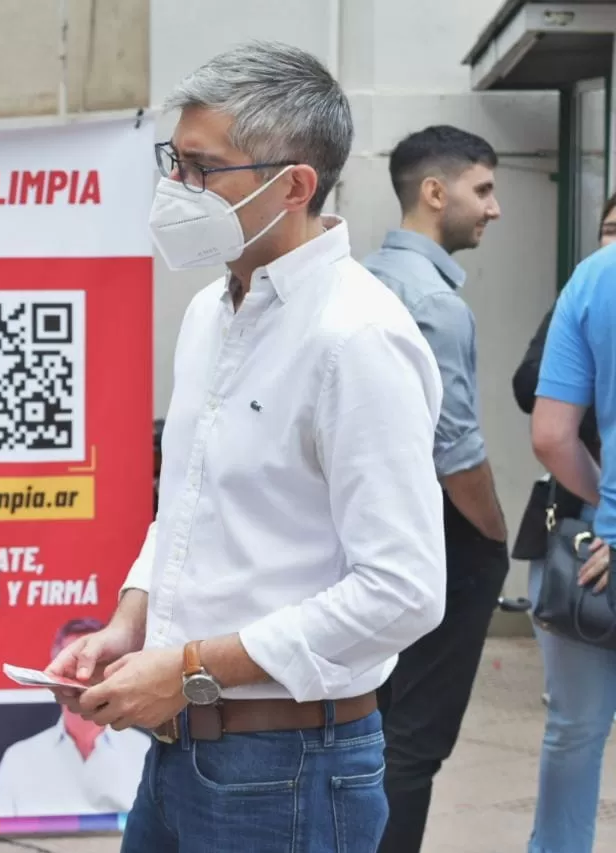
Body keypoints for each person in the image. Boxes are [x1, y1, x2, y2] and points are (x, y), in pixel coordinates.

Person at [45, 41, 446, 853]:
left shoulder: (357, 337)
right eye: (174, 162)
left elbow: (404, 589)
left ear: (294, 184)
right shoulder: (210, 314)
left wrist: (189, 664)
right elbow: (192, 505)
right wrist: (133, 620)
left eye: (203, 168)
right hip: (182, 754)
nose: (175, 190)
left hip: (293, 767)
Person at [359, 125, 508, 853]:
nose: (495, 208)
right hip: (438, 537)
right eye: (483, 189)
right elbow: (458, 453)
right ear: (433, 192)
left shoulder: (357, 279)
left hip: (361, 532)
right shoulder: (437, 306)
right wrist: (495, 536)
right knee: (414, 743)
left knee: (369, 726)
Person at [519, 195, 616, 853]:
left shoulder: (595, 275)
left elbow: (551, 435)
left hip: (593, 555)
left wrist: (607, 506)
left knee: (574, 731)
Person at [0, 618, 150, 816]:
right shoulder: (18, 759)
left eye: (96, 663)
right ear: (56, 671)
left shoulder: (144, 752)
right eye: (74, 663)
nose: (83, 675)